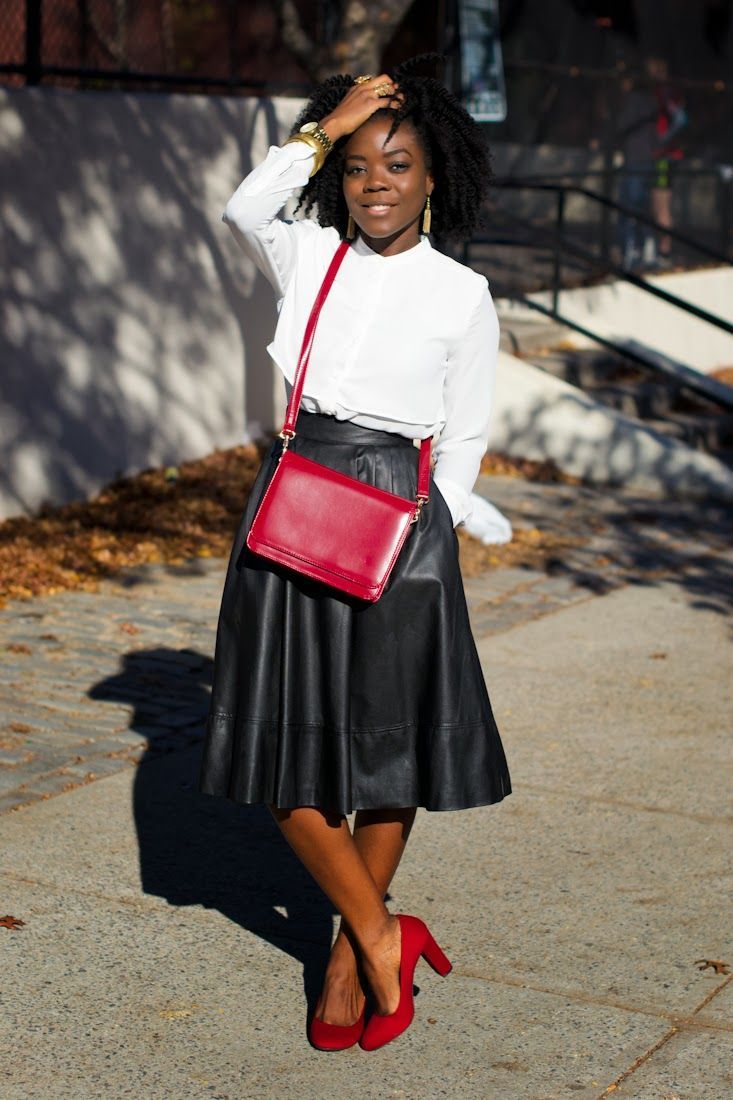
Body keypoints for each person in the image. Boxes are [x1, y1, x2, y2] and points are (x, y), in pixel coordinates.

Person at [198, 57, 511, 1053]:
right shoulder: (311, 256)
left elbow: (461, 438)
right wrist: (329, 126)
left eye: (400, 164)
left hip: (401, 519)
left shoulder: (463, 294)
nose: (377, 182)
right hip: (296, 503)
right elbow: (248, 206)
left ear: (433, 178)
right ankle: (383, 930)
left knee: (384, 751)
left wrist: (434, 529)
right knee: (277, 753)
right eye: (362, 165)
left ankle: (346, 955)